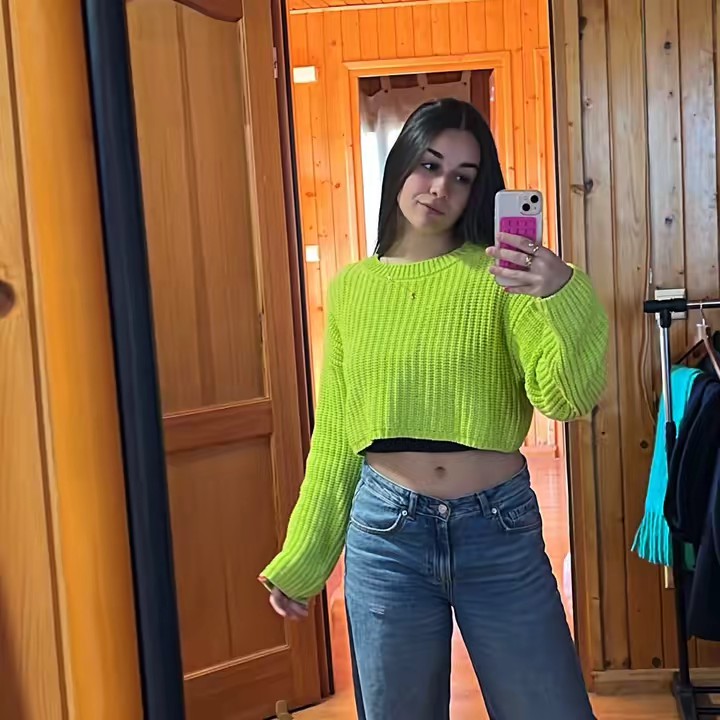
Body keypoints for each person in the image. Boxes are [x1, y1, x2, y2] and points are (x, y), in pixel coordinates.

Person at [259, 98, 609, 720]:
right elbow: (337, 433)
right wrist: (306, 553)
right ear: (400, 166)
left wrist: (563, 292)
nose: (441, 187)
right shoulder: (353, 291)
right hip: (386, 536)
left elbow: (567, 398)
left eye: (463, 176)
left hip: (498, 530)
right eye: (429, 164)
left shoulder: (502, 276)